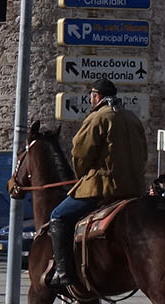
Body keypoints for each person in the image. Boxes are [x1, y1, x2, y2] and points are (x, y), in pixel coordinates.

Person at [48, 80, 148, 290]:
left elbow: (80, 153)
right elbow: (144, 154)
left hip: (103, 187)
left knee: (58, 215)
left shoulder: (97, 117)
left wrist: (84, 175)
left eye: (91, 95)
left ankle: (63, 271)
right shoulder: (133, 118)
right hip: (134, 189)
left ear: (96, 96)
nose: (91, 99)